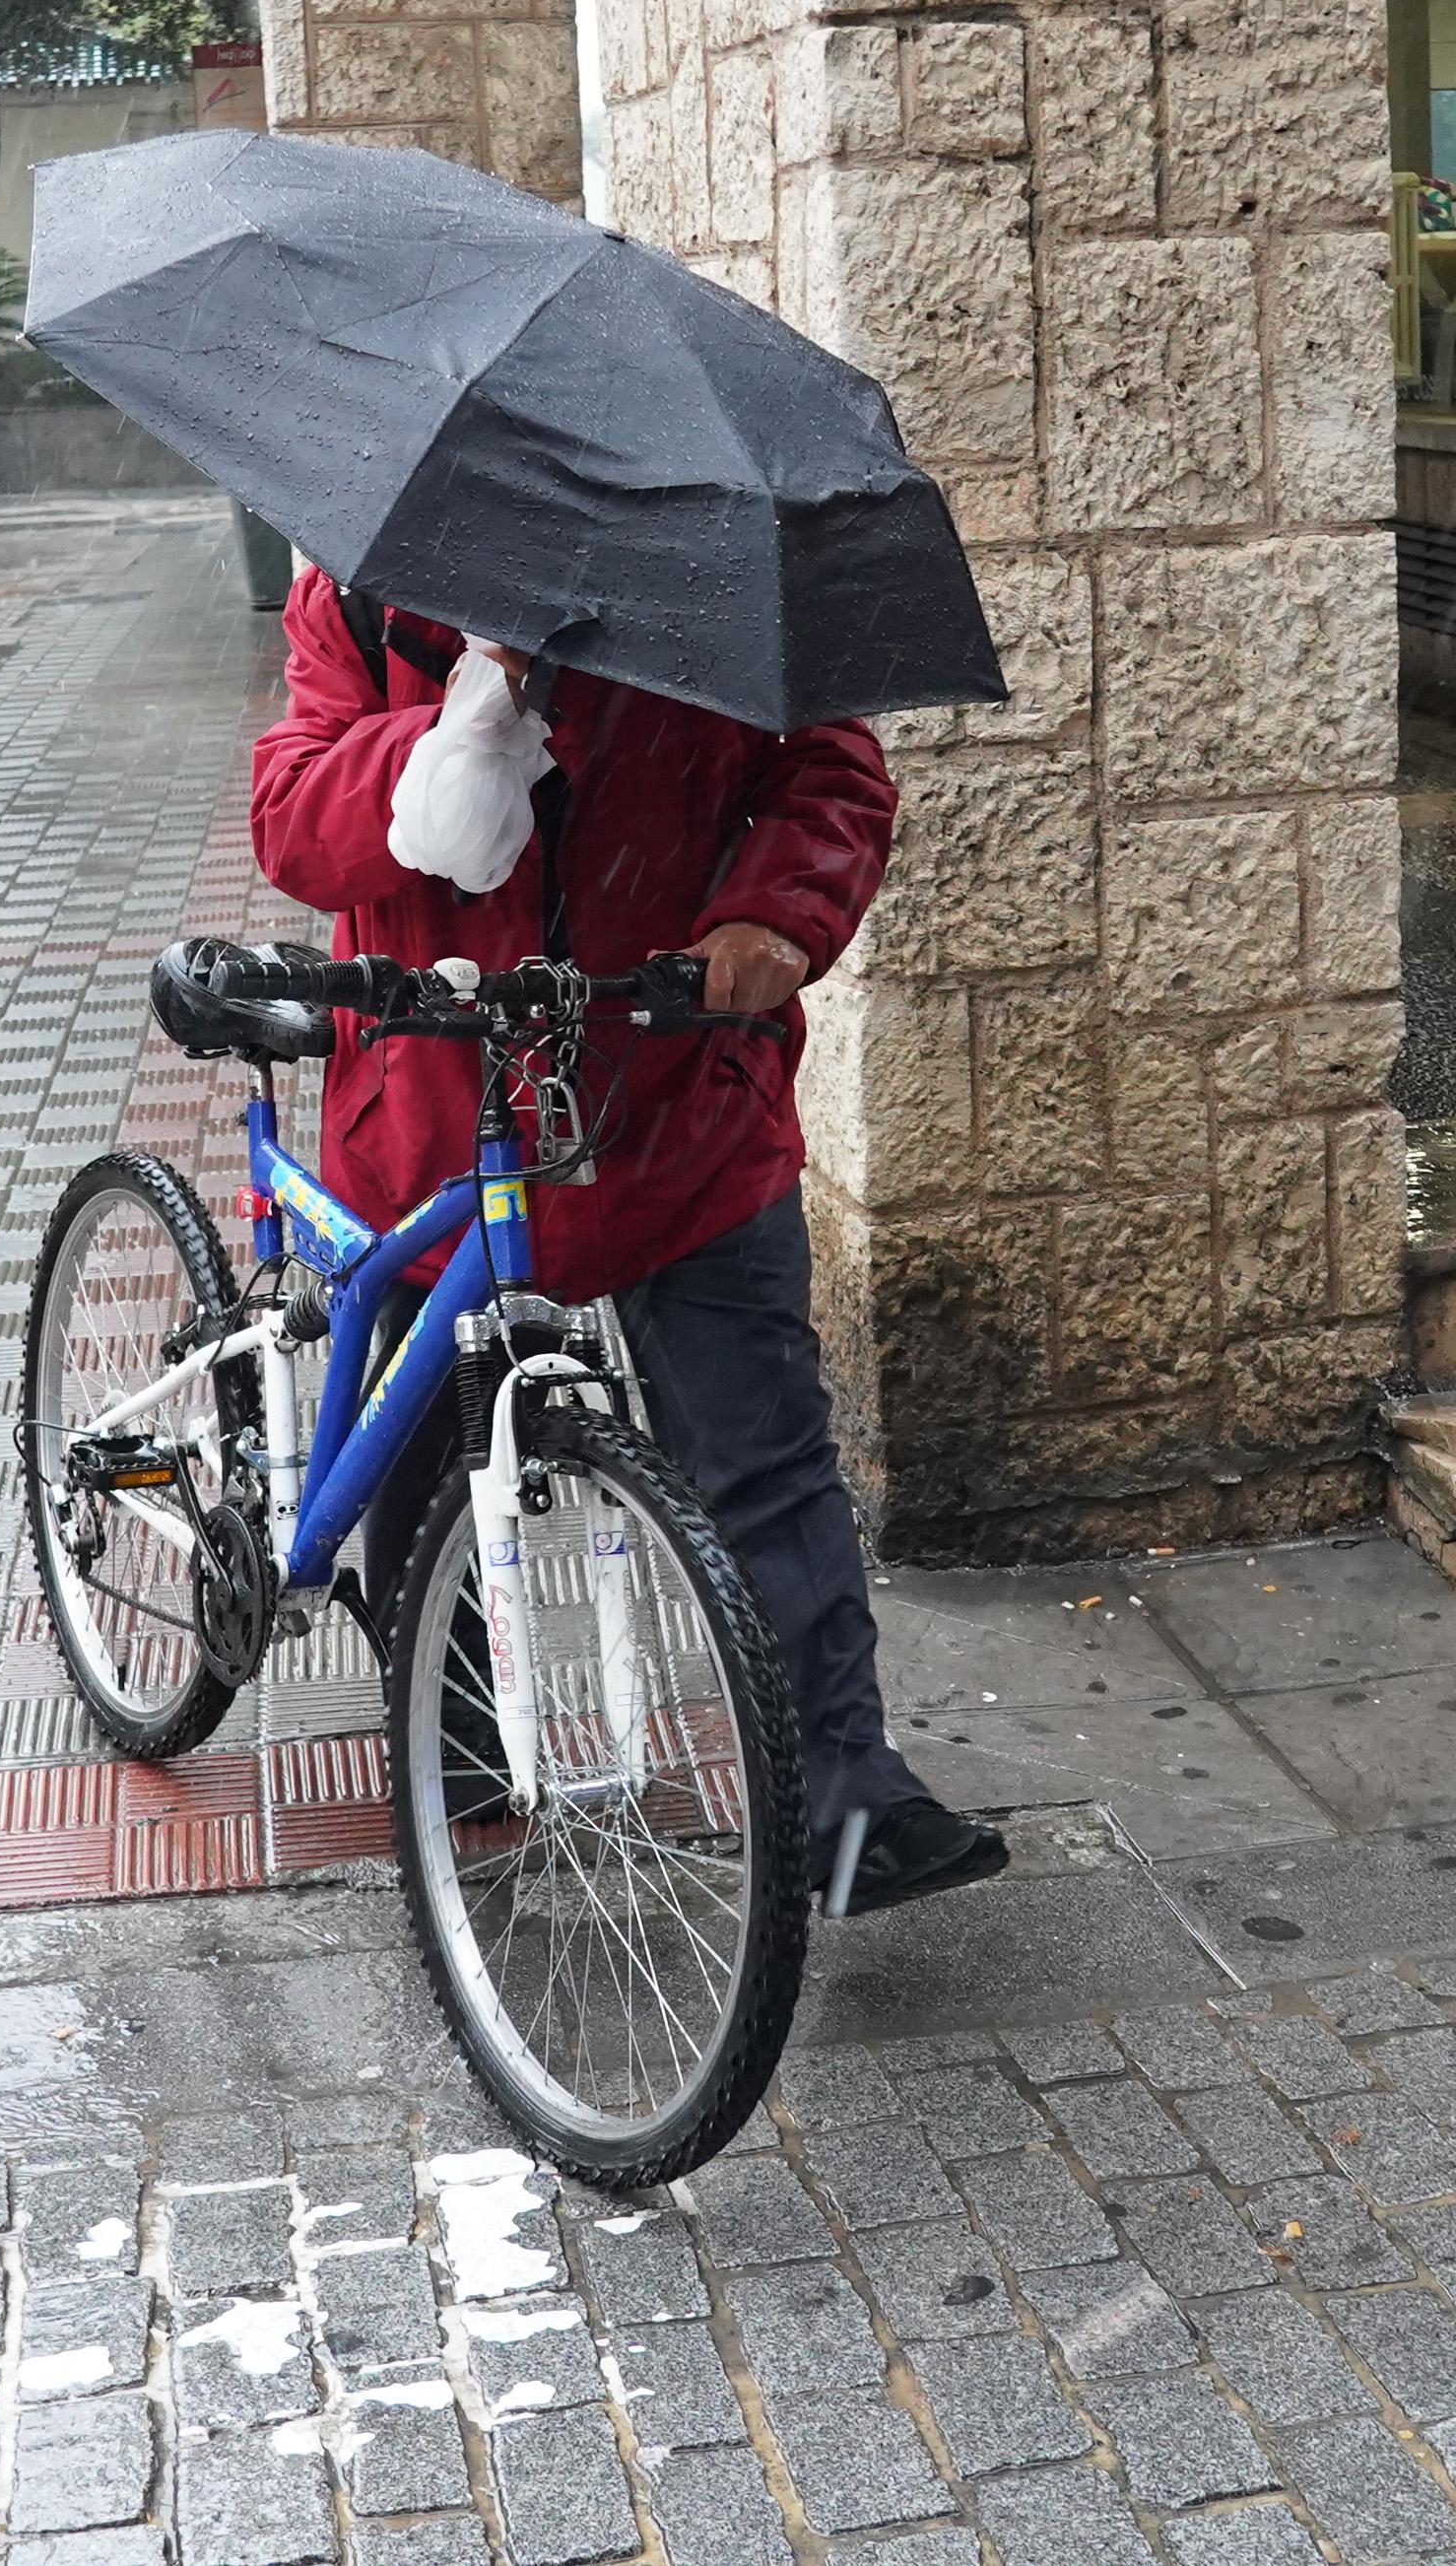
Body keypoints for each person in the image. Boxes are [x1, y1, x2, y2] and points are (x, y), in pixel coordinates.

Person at [249, 568, 1009, 1918]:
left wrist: (775, 910)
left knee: (765, 1462)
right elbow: (291, 820)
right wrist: (448, 735)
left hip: (675, 1103)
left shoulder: (715, 587)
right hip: (440, 1114)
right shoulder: (368, 600)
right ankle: (454, 1735)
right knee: (424, 1472)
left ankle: (847, 1793)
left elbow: (829, 768)